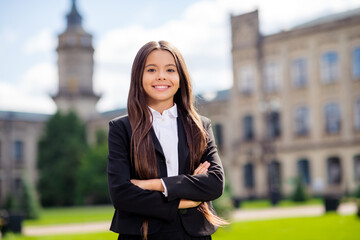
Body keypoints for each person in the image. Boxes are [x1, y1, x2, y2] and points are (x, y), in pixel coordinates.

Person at [107, 40, 227, 240]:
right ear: (139, 76)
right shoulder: (121, 128)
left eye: (170, 70)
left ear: (180, 77)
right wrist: (185, 199)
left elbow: (214, 183)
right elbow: (121, 195)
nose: (161, 76)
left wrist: (155, 184)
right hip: (141, 234)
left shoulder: (200, 126)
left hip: (194, 234)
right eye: (152, 69)